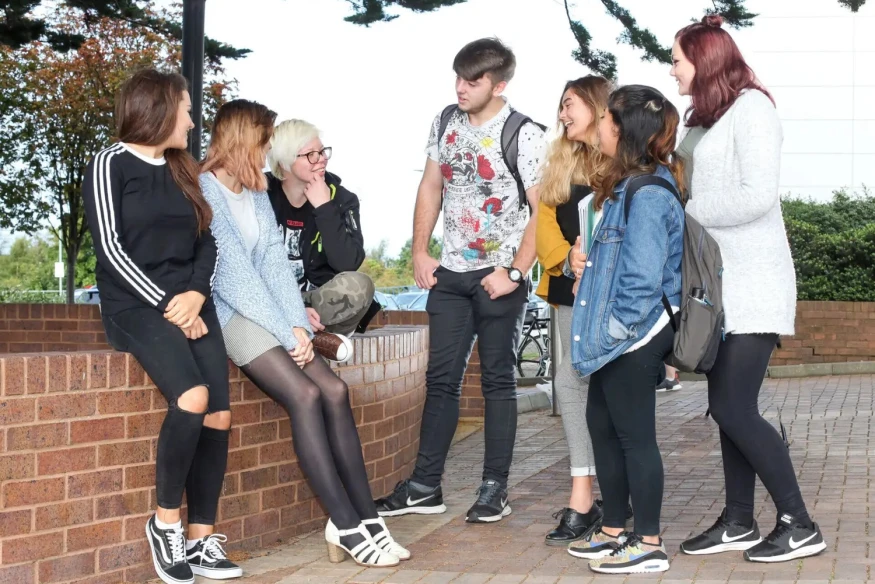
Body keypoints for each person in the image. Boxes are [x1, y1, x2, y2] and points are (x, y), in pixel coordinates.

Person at [200, 99, 409, 568]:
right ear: (242, 140)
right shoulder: (205, 190)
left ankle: (369, 518)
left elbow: (275, 265)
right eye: (262, 142)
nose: (266, 153)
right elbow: (235, 278)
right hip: (229, 315)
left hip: (271, 311)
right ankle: (345, 524)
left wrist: (295, 321)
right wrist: (288, 330)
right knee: (306, 395)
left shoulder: (254, 192)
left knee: (334, 390)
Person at [673, 15, 826, 562]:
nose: (672, 70)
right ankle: (738, 520)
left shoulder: (753, 109)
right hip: (720, 290)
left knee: (734, 407)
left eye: (677, 60)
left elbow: (757, 195)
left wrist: (688, 210)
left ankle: (800, 524)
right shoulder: (708, 119)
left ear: (704, 60)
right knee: (726, 408)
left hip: (754, 284)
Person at [374, 37, 545, 523]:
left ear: (499, 85)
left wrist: (515, 272)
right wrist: (420, 250)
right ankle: (424, 487)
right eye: (458, 78)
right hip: (450, 274)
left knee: (498, 382)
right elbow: (431, 185)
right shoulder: (445, 121)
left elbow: (543, 210)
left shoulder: (525, 134)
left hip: (499, 276)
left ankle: (494, 489)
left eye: (473, 81)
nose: (461, 88)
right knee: (440, 381)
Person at [83, 69, 241, 584]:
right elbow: (110, 249)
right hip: (135, 306)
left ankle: (200, 540)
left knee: (218, 415)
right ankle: (165, 523)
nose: (192, 121)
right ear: (159, 108)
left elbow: (207, 240)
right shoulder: (108, 163)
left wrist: (195, 295)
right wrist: (170, 304)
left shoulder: (183, 167)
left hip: (191, 302)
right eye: (187, 110)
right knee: (192, 398)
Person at [567, 85, 685, 574]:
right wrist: (578, 263)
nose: (599, 127)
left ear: (622, 129)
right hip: (620, 335)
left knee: (635, 436)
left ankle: (649, 542)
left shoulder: (650, 193)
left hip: (636, 333)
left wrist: (614, 330)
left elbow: (641, 278)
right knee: (603, 426)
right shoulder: (627, 185)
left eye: (605, 120)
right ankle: (614, 528)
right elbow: (611, 261)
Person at [534, 75, 612, 546]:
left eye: (570, 105)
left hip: (609, 295)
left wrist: (593, 261)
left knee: (584, 385)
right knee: (575, 384)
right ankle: (589, 496)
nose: (562, 115)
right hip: (568, 290)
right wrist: (567, 259)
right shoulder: (559, 164)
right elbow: (543, 221)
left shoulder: (621, 163)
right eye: (561, 107)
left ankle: (596, 496)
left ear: (597, 108)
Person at [265, 119, 378, 356]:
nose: (322, 159)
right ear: (285, 162)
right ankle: (307, 337)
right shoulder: (260, 193)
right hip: (271, 298)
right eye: (311, 154)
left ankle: (310, 336)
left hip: (318, 302)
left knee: (360, 286)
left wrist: (325, 208)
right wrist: (293, 309)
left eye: (323, 151)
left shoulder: (342, 199)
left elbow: (348, 263)